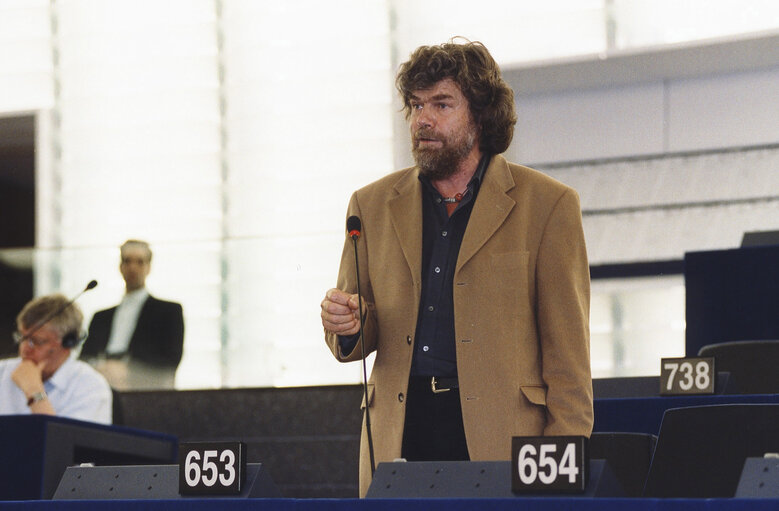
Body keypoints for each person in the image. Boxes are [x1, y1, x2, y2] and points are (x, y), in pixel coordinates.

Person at [320, 39, 593, 496]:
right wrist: (346, 323)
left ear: (481, 116)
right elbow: (355, 335)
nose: (422, 119)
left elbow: (569, 363)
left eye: (441, 104)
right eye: (415, 105)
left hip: (503, 438)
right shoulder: (369, 206)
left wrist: (559, 466)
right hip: (398, 433)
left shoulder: (549, 206)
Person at [80, 240, 184, 390]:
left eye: (139, 262)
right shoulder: (101, 317)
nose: (132, 268)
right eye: (127, 261)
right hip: (100, 384)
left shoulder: (168, 312)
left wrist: (126, 369)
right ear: (120, 267)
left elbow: (170, 360)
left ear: (148, 267)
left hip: (144, 386)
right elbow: (85, 358)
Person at [0, 294, 112, 424]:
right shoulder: (2, 371)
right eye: (22, 337)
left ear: (68, 343)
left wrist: (34, 390)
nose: (25, 348)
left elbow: (62, 441)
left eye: (36, 341)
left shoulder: (90, 387)